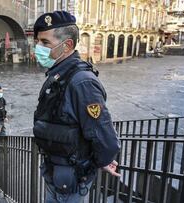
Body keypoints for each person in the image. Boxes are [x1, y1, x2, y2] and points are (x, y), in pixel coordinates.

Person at [32, 11, 121, 202]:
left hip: (71, 177)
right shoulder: (57, 74)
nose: (38, 47)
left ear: (68, 45)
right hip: (54, 171)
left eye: (45, 42)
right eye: (38, 41)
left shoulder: (81, 82)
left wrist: (104, 159)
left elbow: (102, 132)